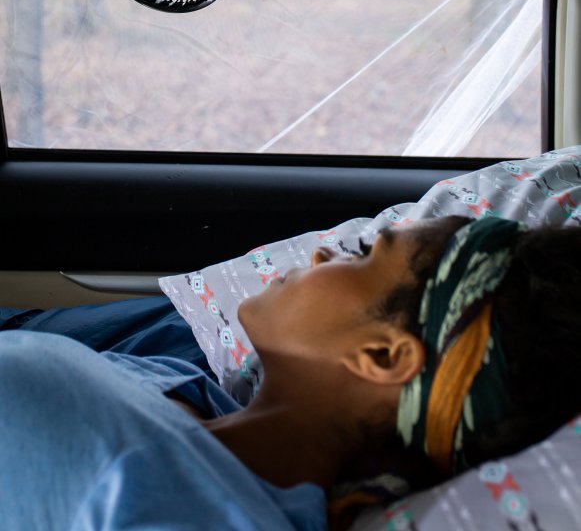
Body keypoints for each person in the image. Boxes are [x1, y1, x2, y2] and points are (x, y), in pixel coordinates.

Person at [1, 214, 581, 530]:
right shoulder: (190, 391)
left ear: (382, 356)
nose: (322, 254)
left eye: (363, 256)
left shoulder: (186, 509)